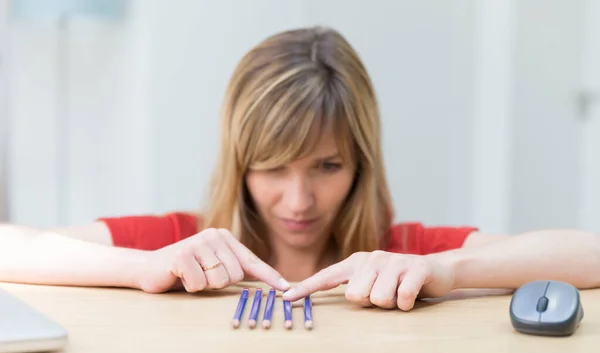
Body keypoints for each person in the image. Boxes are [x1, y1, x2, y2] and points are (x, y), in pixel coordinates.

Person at [1, 26, 600, 311]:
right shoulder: (177, 242)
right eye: (271, 168)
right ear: (240, 164)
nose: (298, 200)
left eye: (328, 166)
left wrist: (446, 268)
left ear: (361, 162)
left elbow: (589, 254)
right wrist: (144, 268)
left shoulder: (402, 254)